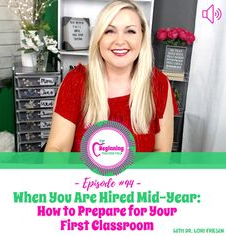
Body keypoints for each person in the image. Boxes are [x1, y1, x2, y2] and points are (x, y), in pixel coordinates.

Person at [45, 0, 178, 152]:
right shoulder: (76, 81)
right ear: (99, 38)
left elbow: (162, 152)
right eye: (109, 31)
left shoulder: (158, 83)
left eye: (130, 31)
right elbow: (57, 149)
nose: (120, 41)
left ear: (142, 38)